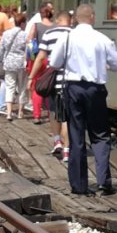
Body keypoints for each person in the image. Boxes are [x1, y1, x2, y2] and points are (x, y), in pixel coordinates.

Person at [51, 4, 117, 196]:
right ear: (92, 17)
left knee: (76, 135)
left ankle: (79, 185)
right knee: (100, 134)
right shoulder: (102, 39)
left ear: (75, 19)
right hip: (95, 89)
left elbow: (54, 62)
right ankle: (103, 182)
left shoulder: (66, 38)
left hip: (73, 88)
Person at [31, 10, 72, 157]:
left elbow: (41, 57)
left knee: (54, 111)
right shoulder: (74, 34)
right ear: (70, 21)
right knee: (67, 116)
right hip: (71, 81)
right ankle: (67, 151)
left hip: (53, 81)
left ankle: (57, 141)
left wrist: (32, 75)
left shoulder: (49, 34)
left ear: (58, 21)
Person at [0, 18, 28, 121]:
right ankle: (20, 112)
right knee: (22, 87)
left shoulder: (6, 34)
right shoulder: (25, 34)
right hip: (21, 64)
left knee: (9, 87)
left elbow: (1, 49)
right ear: (22, 23)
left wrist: (0, 60)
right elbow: (28, 50)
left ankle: (9, 113)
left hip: (9, 63)